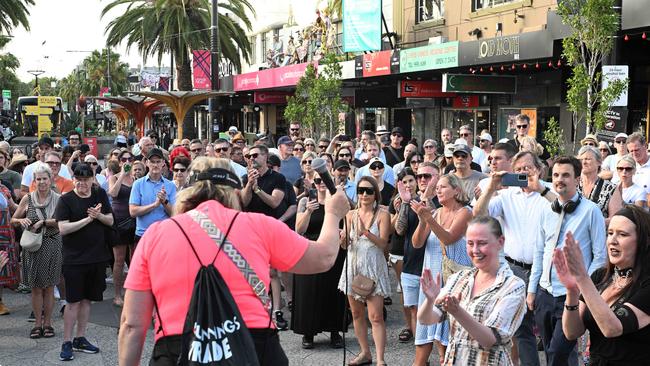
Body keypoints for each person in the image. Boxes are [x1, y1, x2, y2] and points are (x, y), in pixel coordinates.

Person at [118, 157, 350, 365]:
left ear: (188, 190)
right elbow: (324, 258)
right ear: (235, 191)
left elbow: (132, 325)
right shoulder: (259, 226)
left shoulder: (155, 235)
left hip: (178, 348)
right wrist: (333, 214)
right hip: (254, 344)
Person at [473, 150, 555, 366]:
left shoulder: (549, 192)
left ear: (538, 169)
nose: (522, 173)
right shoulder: (507, 196)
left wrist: (541, 189)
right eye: (518, 170)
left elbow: (565, 210)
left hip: (547, 269)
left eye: (527, 168)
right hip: (515, 268)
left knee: (549, 329)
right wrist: (491, 186)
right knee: (522, 329)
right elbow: (479, 214)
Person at [528, 156, 607, 366]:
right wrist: (532, 290)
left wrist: (583, 291)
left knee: (556, 353)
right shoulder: (545, 210)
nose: (559, 179)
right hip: (545, 294)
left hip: (570, 297)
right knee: (553, 352)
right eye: (555, 175)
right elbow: (539, 252)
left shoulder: (592, 211)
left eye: (565, 175)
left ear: (577, 178)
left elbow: (600, 257)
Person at [417, 216, 527, 366]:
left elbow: (489, 340)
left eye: (482, 243)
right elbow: (426, 320)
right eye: (470, 243)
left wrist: (457, 312)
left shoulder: (513, 286)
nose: (475, 250)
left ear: (500, 242)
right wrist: (429, 301)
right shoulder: (459, 278)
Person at [555, 206, 650, 366]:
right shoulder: (600, 276)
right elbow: (572, 332)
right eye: (610, 233)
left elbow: (612, 328)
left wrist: (582, 278)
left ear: (644, 240)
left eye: (622, 234)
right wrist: (572, 291)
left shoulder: (646, 283)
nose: (612, 240)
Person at [410, 173, 473, 365]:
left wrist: (428, 218)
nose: (438, 190)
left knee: (447, 343)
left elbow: (448, 238)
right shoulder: (435, 213)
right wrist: (423, 220)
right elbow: (417, 243)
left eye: (443, 187)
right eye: (437, 188)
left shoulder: (465, 212)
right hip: (431, 283)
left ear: (456, 190)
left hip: (452, 282)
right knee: (424, 339)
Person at [55, 163, 114, 361]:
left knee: (88, 300)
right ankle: (67, 341)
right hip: (74, 260)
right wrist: (88, 220)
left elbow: (111, 221)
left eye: (86, 179)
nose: (82, 183)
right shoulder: (66, 200)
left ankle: (80, 338)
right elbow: (63, 228)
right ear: (74, 180)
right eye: (78, 179)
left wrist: (98, 216)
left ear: (91, 179)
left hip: (97, 257)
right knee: (72, 302)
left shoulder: (100, 195)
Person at [338, 176, 391, 366]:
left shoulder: (383, 215)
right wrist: (342, 238)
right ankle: (365, 353)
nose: (364, 194)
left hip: (373, 268)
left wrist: (366, 232)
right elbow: (345, 245)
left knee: (376, 316)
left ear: (375, 193)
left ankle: (380, 359)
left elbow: (384, 243)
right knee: (357, 314)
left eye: (369, 190)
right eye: (361, 190)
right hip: (353, 267)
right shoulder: (350, 215)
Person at [292, 172, 346, 349]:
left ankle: (335, 332)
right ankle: (308, 333)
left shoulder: (337, 200)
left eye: (324, 180)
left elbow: (346, 221)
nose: (321, 183)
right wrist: (308, 211)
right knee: (308, 292)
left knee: (333, 291)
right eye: (317, 180)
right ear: (313, 183)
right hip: (309, 248)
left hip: (333, 248)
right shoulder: (304, 201)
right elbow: (299, 230)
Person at [12, 163, 61, 339]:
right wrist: (21, 221)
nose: (41, 182)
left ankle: (48, 323)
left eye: (44, 178)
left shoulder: (58, 198)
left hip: (53, 244)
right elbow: (13, 219)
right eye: (38, 179)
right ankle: (37, 324)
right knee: (35, 288)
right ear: (34, 181)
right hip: (33, 247)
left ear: (51, 179)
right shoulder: (28, 199)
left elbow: (63, 221)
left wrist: (45, 222)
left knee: (49, 287)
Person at [391, 164, 439, 346]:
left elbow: (436, 221)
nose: (422, 180)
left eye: (427, 176)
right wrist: (404, 203)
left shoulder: (443, 199)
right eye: (419, 177)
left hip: (434, 266)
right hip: (411, 263)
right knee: (414, 309)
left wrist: (428, 198)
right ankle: (421, 350)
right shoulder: (410, 200)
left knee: (437, 310)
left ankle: (438, 350)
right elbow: (400, 230)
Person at [129, 148, 177, 249]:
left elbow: (175, 213)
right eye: (152, 162)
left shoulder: (170, 185)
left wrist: (164, 201)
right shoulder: (138, 184)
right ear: (146, 163)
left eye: (158, 161)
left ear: (163, 163)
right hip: (143, 235)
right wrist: (154, 205)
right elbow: (133, 211)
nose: (155, 165)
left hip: (164, 234)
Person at [108, 150, 137, 307]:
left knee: (134, 259)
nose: (126, 161)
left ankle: (132, 290)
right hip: (119, 221)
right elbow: (113, 193)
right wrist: (121, 175)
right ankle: (117, 294)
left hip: (134, 220)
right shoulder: (114, 177)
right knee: (119, 260)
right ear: (119, 162)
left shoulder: (136, 179)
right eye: (123, 159)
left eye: (129, 159)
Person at [577, 146, 623, 220]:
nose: (584, 162)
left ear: (599, 162)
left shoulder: (610, 188)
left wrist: (593, 223)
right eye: (581, 159)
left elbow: (616, 219)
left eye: (588, 159)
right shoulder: (572, 185)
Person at [626, 133, 650, 199]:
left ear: (645, 146)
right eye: (631, 151)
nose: (634, 153)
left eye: (636, 150)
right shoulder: (625, 165)